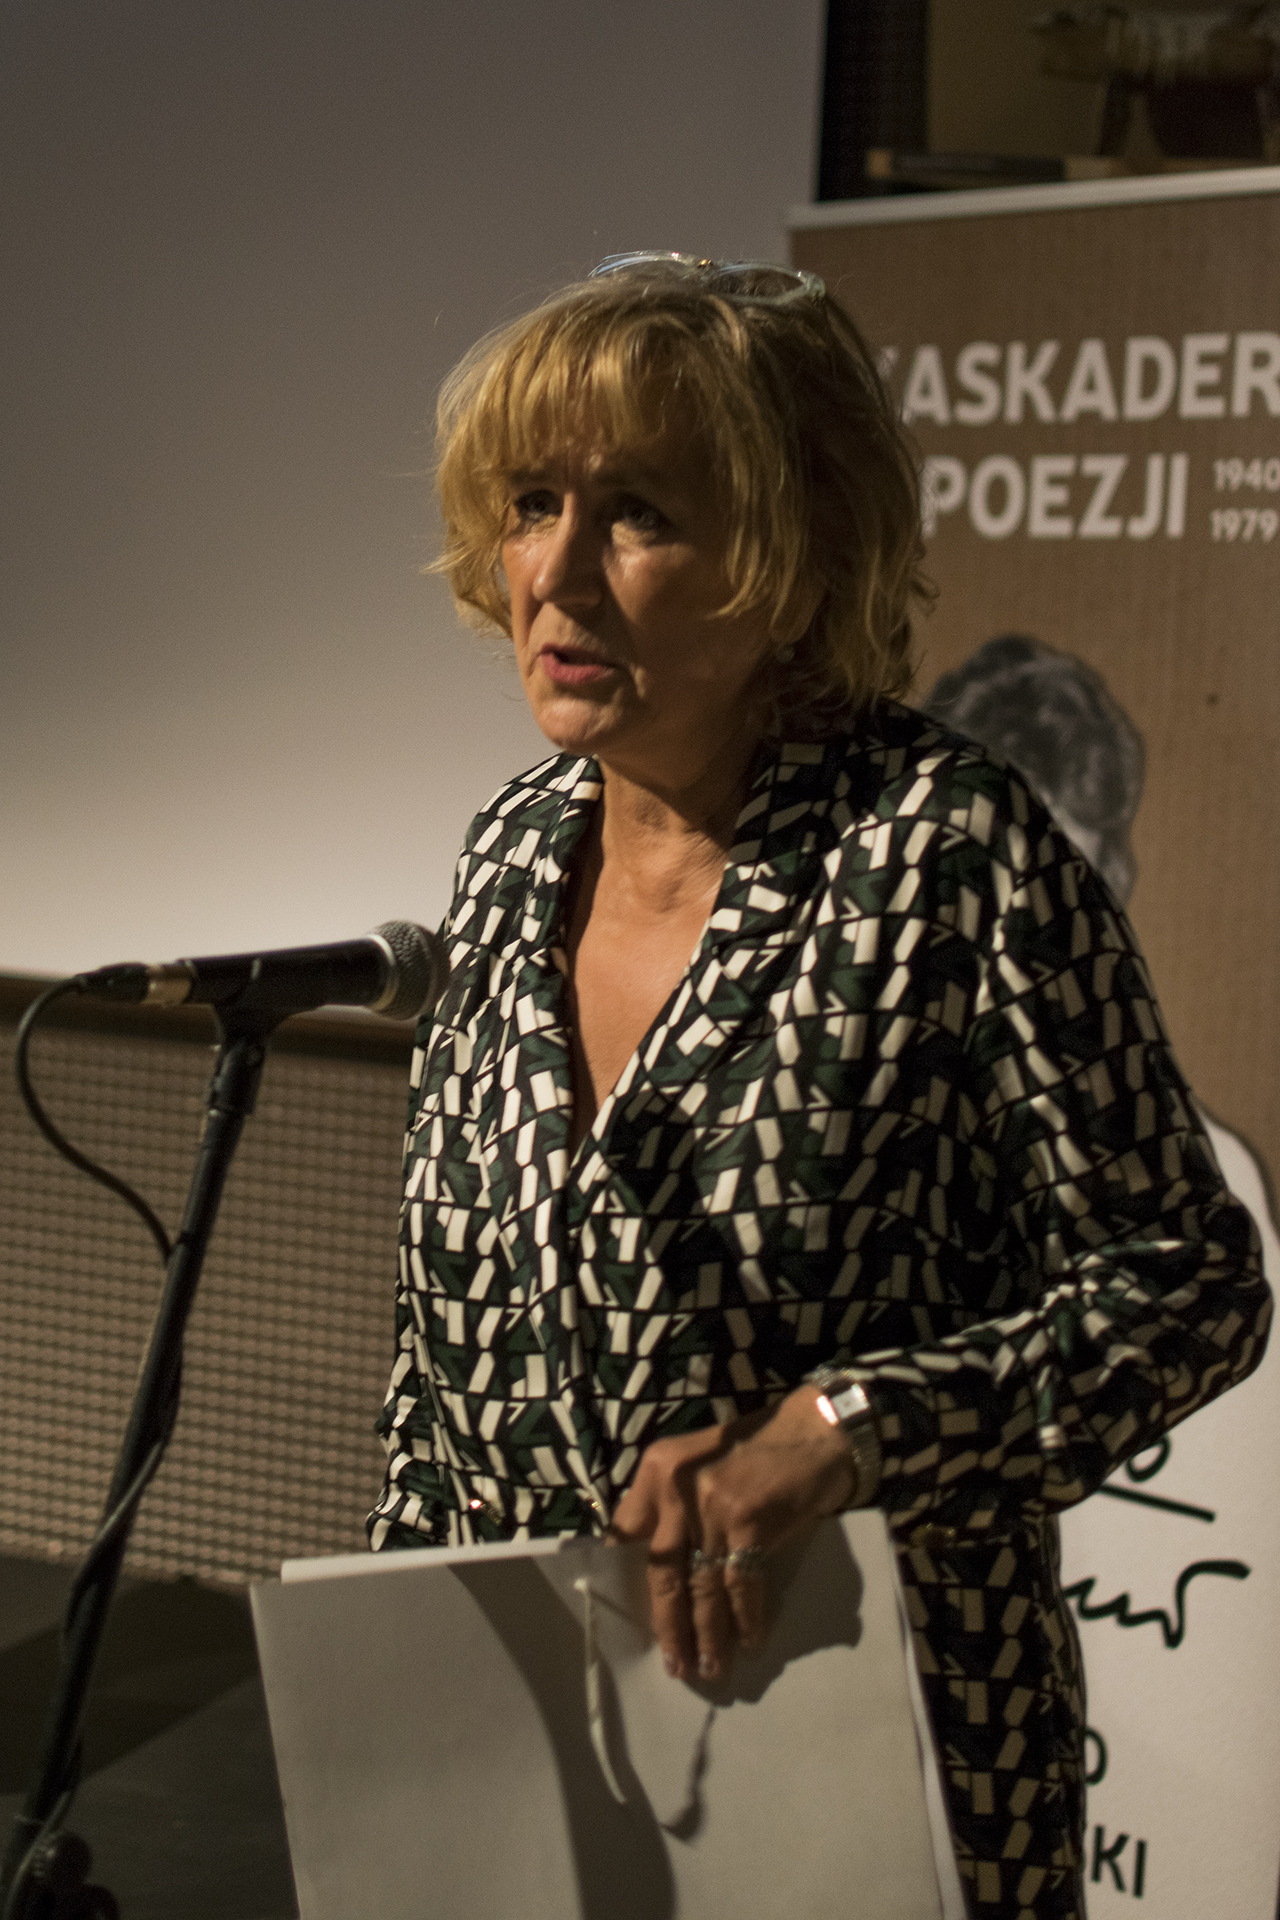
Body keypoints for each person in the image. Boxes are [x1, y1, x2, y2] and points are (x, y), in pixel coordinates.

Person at [367, 254, 1269, 1920]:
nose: (554, 570)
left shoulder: (945, 852)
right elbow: (441, 1371)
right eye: (532, 504)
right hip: (532, 1781)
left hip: (868, 1763)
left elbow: (1187, 1286)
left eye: (638, 513)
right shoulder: (509, 855)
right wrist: (399, 1683)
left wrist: (848, 1431)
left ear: (792, 558)